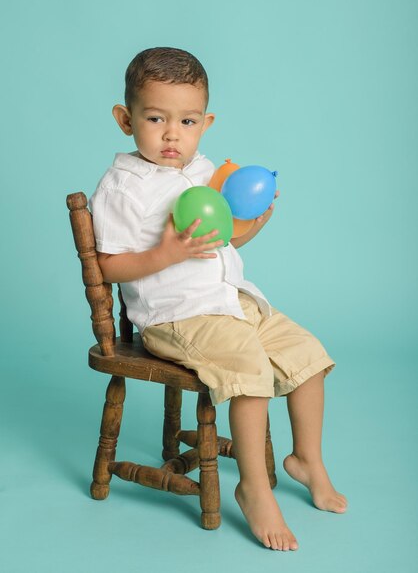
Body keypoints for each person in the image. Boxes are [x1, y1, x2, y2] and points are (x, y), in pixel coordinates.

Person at [89, 47, 347, 551]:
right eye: (155, 118)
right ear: (126, 120)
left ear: (205, 123)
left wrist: (251, 224)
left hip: (231, 300)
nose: (171, 134)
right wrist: (166, 252)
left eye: (186, 121)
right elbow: (107, 265)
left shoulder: (204, 169)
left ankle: (307, 459)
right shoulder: (123, 187)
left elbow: (221, 240)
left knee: (308, 355)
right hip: (176, 316)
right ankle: (252, 487)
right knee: (249, 370)